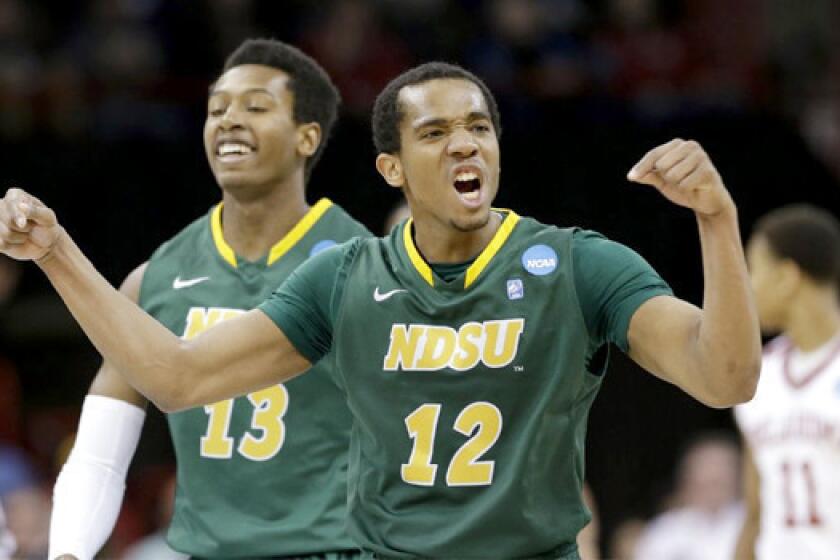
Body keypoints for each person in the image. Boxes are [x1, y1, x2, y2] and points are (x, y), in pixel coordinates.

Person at [0, 61, 760, 558]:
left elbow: (725, 378)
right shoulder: (345, 278)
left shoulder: (576, 264)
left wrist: (716, 220)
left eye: (478, 128)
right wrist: (58, 253)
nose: (465, 146)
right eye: (436, 133)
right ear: (392, 167)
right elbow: (177, 377)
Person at [46, 39, 370, 560]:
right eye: (217, 108)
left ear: (307, 136)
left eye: (256, 107)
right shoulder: (156, 277)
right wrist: (67, 553)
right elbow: (99, 457)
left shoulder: (364, 268)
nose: (229, 120)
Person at [734, 205, 840, 560]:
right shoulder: (758, 373)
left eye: (753, 269)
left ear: (787, 276)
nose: (746, 286)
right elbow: (755, 512)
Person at [633, 433, 743, 560]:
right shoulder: (665, 530)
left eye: (718, 481)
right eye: (705, 480)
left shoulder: (757, 525)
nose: (712, 491)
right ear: (688, 481)